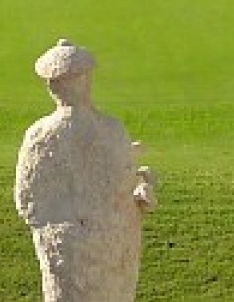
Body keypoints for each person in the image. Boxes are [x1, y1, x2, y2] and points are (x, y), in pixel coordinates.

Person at [14, 40, 157, 302]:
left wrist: (139, 191)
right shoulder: (108, 129)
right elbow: (28, 202)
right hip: (100, 245)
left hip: (91, 247)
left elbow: (27, 203)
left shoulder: (41, 135)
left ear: (52, 85)